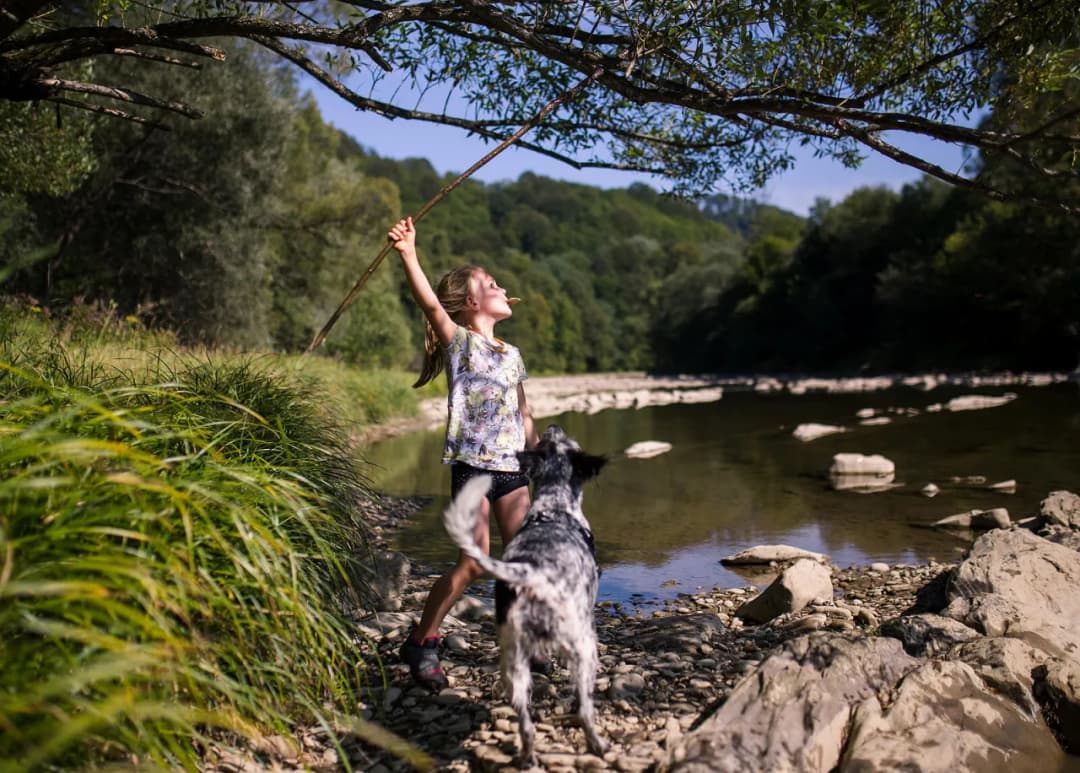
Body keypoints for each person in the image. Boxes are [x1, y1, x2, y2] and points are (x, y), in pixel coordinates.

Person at [388, 216, 541, 691]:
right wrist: (410, 252)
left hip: (513, 469)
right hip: (473, 468)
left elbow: (524, 413)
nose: (502, 287)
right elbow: (431, 304)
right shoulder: (460, 343)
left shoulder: (511, 354)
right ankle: (423, 640)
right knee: (474, 563)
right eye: (491, 284)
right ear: (472, 302)